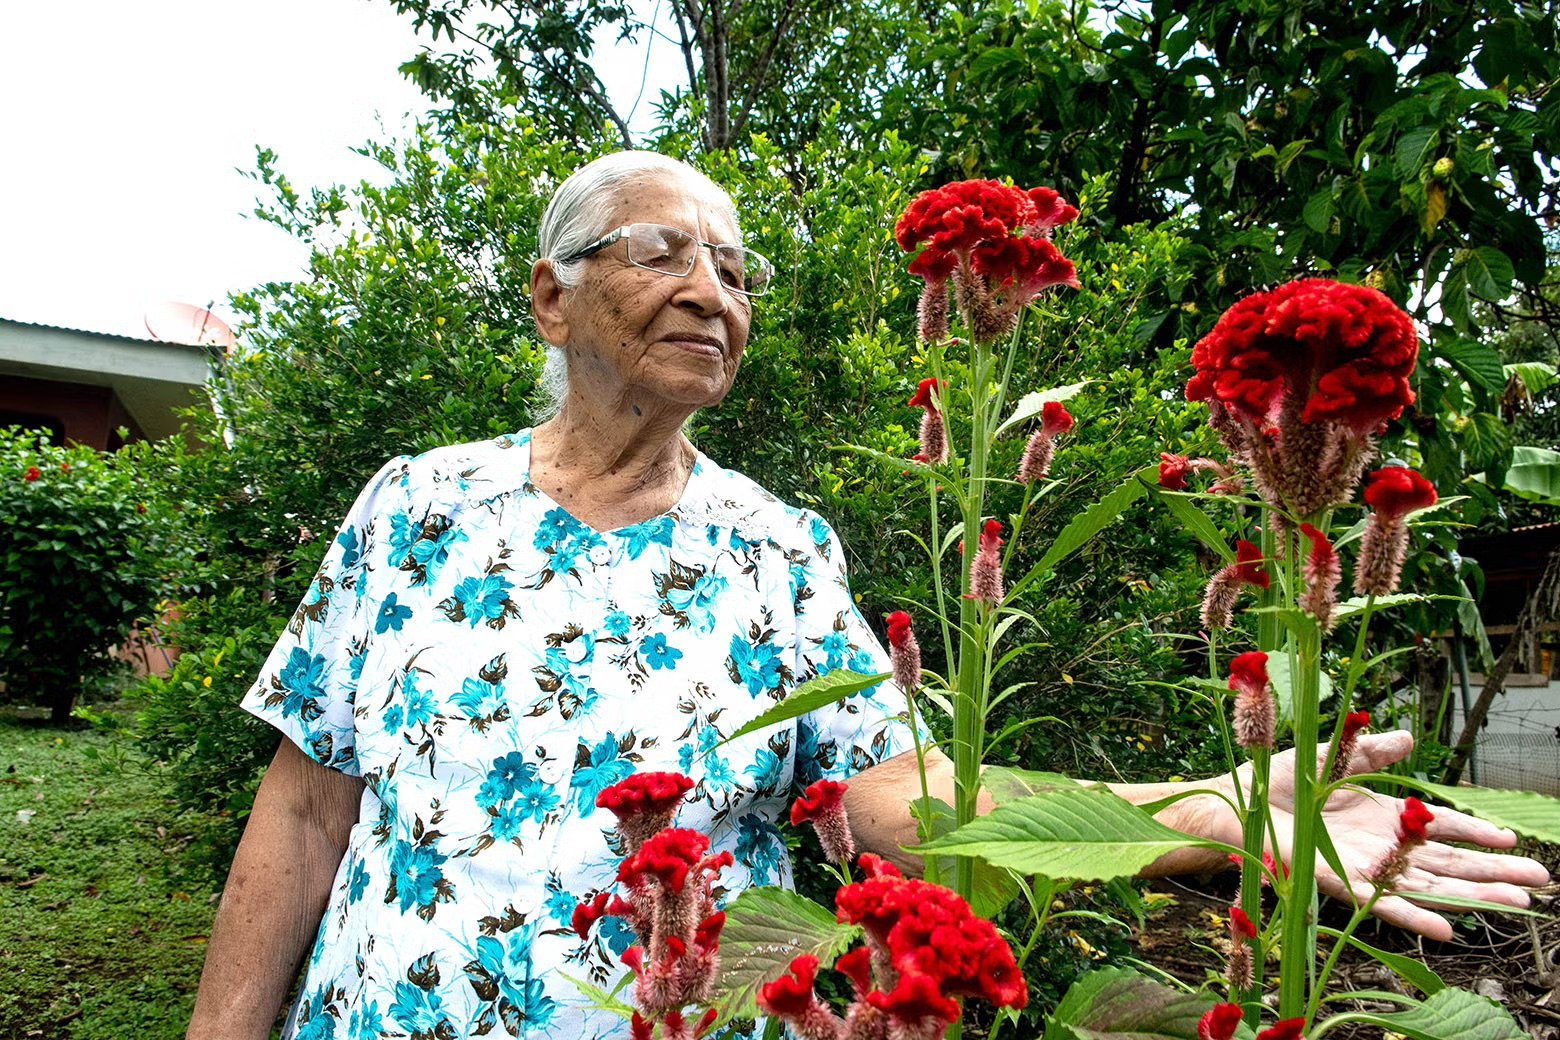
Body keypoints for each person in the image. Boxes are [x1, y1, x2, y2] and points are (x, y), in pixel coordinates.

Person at [187, 152, 1549, 1040]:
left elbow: (901, 810)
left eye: (735, 269)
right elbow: (305, 810)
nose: (710, 291)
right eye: (662, 251)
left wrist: (1205, 813)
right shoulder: (413, 507)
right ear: (551, 300)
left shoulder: (772, 548)